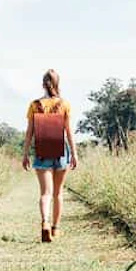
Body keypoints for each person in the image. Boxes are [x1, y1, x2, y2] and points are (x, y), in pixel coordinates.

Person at [21, 69, 78, 242]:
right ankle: (55, 228)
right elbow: (69, 132)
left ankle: (44, 222)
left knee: (45, 193)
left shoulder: (34, 105)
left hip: (42, 151)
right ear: (57, 84)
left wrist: (25, 154)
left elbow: (29, 132)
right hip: (61, 150)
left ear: (43, 84)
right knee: (58, 193)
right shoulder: (64, 105)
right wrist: (74, 154)